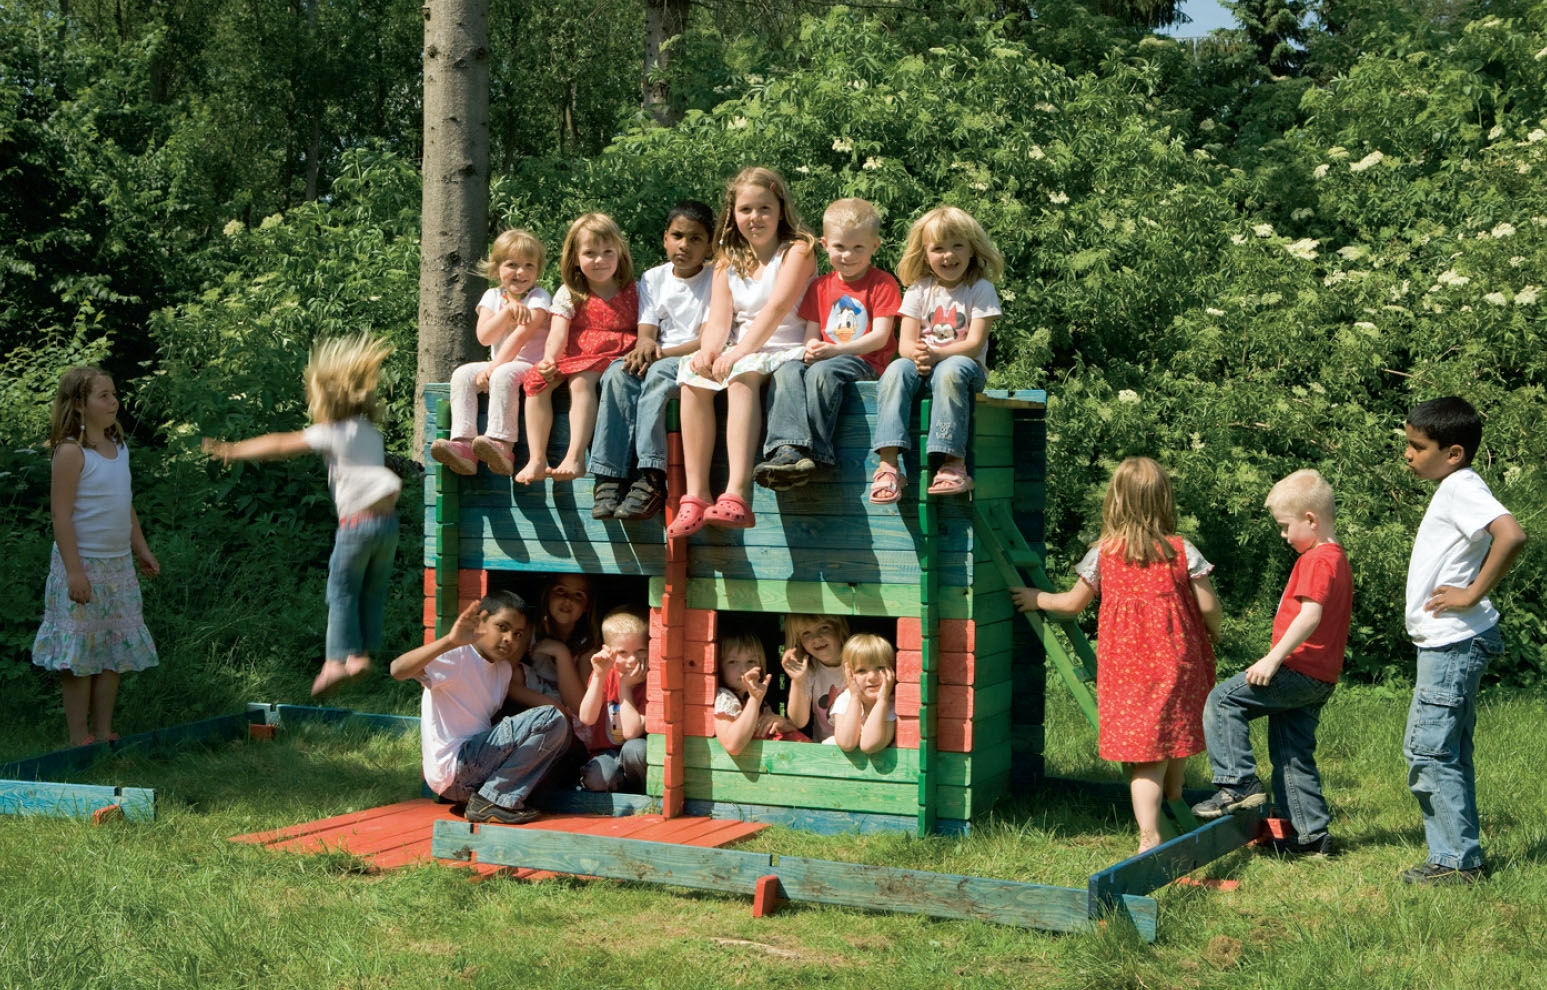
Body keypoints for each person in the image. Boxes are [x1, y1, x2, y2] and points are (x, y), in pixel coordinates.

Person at [1012, 456, 1222, 853]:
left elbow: (1072, 604)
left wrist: (1037, 598)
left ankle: (1150, 833)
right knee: (1175, 730)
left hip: (1127, 669)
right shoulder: (1181, 551)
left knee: (1146, 754)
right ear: (1164, 500)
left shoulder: (1104, 554)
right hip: (1177, 661)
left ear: (1116, 502)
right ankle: (1174, 794)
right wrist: (1214, 630)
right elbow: (1209, 606)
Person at [204, 335, 400, 697]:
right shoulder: (370, 433)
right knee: (371, 592)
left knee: (342, 591)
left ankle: (336, 662)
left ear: (326, 399)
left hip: (357, 525)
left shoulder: (332, 432)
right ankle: (362, 655)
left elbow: (280, 444)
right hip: (387, 526)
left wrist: (234, 450)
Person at [1396, 396, 1526, 885]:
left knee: (1428, 751)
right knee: (1445, 750)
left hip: (1452, 643)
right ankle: (1458, 857)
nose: (1408, 454)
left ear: (1453, 453)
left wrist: (1471, 594)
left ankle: (1455, 863)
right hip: (1449, 642)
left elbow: (1511, 535)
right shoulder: (1455, 486)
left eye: (1417, 446)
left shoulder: (1461, 486)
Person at [1190, 470, 1353, 858]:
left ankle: (1237, 784)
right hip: (1320, 676)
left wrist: (1273, 658)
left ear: (1310, 519)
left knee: (1223, 701)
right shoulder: (1336, 558)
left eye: (1285, 526)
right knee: (1292, 754)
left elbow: (1310, 615)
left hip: (1297, 668)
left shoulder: (1317, 559)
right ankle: (1311, 838)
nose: (1283, 535)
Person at [667, 166, 817, 537]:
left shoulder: (798, 250)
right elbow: (720, 320)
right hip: (743, 348)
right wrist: (709, 352)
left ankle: (737, 492)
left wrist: (737, 354)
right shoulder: (727, 261)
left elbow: (777, 308)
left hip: (784, 346)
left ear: (780, 210)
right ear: (733, 213)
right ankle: (697, 495)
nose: (755, 217)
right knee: (692, 376)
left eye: (764, 208)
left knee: (741, 375)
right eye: (745, 209)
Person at [31, 366, 160, 746]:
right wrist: (74, 572)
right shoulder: (71, 452)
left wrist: (141, 549)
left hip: (118, 567)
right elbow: (61, 516)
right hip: (82, 565)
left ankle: (103, 732)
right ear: (78, 404)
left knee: (113, 649)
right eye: (103, 396)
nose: (114, 401)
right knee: (80, 654)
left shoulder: (118, 448)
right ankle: (79, 737)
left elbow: (124, 506)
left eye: (114, 393)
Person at [755, 197, 901, 490]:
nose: (848, 255)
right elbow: (812, 333)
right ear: (824, 245)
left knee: (822, 372)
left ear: (875, 246)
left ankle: (818, 453)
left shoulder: (882, 283)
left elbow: (881, 337)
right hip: (829, 357)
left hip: (865, 361)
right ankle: (787, 449)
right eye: (840, 247)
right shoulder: (820, 286)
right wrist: (812, 348)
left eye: (858, 247)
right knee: (786, 370)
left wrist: (835, 350)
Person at [390, 593, 570, 825]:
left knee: (561, 730)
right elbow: (397, 670)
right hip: (456, 768)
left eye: (517, 634)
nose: (509, 639)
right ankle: (491, 800)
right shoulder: (457, 656)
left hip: (476, 773)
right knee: (550, 717)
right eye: (502, 627)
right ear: (480, 622)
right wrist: (450, 641)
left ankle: (494, 798)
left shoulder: (503, 671)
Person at [589, 201, 715, 520]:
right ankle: (609, 475)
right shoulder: (653, 278)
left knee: (657, 374)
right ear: (665, 239)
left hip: (694, 357)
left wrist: (658, 354)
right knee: (617, 373)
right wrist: (643, 347)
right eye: (677, 236)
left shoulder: (717, 278)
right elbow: (647, 332)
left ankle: (651, 475)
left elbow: (707, 339)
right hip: (658, 354)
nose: (684, 245)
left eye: (695, 239)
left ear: (709, 245)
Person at [870, 206, 1003, 503]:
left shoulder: (980, 289)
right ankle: (888, 465)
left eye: (957, 246)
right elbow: (905, 345)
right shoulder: (918, 290)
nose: (948, 255)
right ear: (925, 253)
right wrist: (917, 354)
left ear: (972, 249)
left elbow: (974, 344)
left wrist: (934, 355)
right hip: (925, 366)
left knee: (950, 369)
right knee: (895, 369)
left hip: (964, 370)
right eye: (938, 248)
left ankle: (953, 463)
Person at [515, 213, 638, 485]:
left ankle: (576, 457)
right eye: (590, 253)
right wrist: (549, 360)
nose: (600, 260)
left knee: (582, 381)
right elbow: (558, 333)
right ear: (575, 258)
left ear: (620, 253)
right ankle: (536, 459)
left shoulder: (634, 289)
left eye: (608, 252)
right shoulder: (570, 292)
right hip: (577, 354)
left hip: (614, 353)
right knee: (536, 381)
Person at [430, 229, 552, 476]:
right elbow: (484, 337)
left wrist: (493, 368)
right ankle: (464, 444)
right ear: (497, 269)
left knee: (503, 374)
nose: (520, 272)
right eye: (512, 265)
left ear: (537, 270)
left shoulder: (539, 298)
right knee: (463, 374)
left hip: (530, 364)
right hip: (501, 361)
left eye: (529, 265)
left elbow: (520, 338)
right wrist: (506, 312)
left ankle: (502, 444)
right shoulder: (492, 296)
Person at [576, 607, 650, 792]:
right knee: (596, 778)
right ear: (607, 651)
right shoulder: (605, 674)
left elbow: (631, 732)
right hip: (606, 753)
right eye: (623, 652)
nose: (632, 660)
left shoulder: (651, 681)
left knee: (635, 750)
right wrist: (599, 676)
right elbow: (586, 718)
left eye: (640, 651)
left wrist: (625, 686)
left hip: (636, 755)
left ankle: (643, 797)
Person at [713, 632, 802, 756]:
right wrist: (754, 700)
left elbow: (792, 730)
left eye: (751, 661)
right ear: (719, 665)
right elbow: (732, 745)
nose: (744, 669)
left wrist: (781, 722)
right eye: (732, 662)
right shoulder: (725, 698)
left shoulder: (756, 701)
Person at [779, 613, 851, 743]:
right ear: (799, 641)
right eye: (806, 633)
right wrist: (798, 681)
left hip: (858, 741)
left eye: (824, 627)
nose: (816, 638)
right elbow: (798, 721)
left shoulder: (858, 662)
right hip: (825, 747)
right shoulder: (810, 669)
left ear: (840, 629)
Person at [829, 633, 898, 754]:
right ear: (849, 674)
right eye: (861, 671)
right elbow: (847, 743)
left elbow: (869, 745)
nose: (871, 677)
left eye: (880, 668)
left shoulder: (891, 704)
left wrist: (882, 701)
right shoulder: (845, 699)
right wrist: (855, 698)